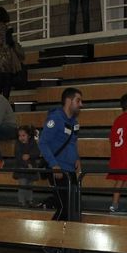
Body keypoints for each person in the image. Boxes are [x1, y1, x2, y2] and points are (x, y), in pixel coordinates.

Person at [38, 87, 83, 221]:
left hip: (70, 170)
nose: (81, 104)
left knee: (73, 209)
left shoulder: (74, 122)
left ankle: (66, 234)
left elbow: (73, 142)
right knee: (64, 208)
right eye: (78, 101)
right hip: (58, 170)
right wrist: (54, 165)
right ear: (69, 101)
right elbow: (43, 143)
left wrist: (77, 159)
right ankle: (52, 234)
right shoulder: (55, 119)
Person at [12, 124, 41, 207]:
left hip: (31, 169)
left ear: (29, 136)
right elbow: (19, 156)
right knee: (23, 184)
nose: (21, 137)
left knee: (30, 185)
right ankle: (21, 201)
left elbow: (37, 153)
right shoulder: (18, 144)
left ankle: (30, 200)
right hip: (21, 168)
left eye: (23, 135)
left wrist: (29, 155)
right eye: (19, 136)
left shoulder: (33, 142)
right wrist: (27, 164)